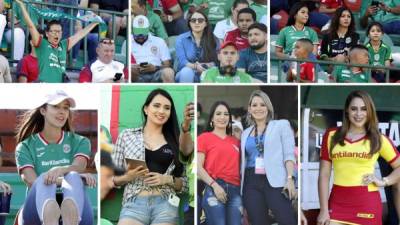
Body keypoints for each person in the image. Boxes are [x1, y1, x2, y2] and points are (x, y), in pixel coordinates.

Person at [317, 90, 400, 225]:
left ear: (370, 112)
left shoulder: (378, 139)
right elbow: (324, 174)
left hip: (367, 205)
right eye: (354, 109)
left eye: (363, 109)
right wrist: (323, 209)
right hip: (337, 205)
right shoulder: (331, 135)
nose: (358, 114)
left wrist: (384, 181)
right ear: (347, 112)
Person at [15, 90, 96, 225]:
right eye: (56, 106)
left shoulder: (81, 141)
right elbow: (32, 181)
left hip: (76, 204)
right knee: (46, 180)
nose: (62, 112)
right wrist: (61, 178)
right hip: (35, 211)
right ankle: (49, 216)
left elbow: (79, 167)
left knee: (74, 176)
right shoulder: (25, 147)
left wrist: (62, 170)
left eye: (65, 108)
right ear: (43, 110)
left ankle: (70, 219)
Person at [111, 88, 188, 225]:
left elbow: (186, 184)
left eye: (167, 108)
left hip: (166, 204)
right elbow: (112, 179)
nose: (161, 111)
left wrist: (167, 179)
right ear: (146, 109)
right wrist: (127, 177)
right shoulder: (127, 136)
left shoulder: (177, 141)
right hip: (134, 204)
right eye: (156, 106)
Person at [240, 90, 297, 225]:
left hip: (275, 179)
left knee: (286, 219)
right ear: (249, 109)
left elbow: (289, 154)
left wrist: (290, 178)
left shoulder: (281, 125)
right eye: (254, 105)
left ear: (268, 108)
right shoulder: (245, 133)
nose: (258, 108)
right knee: (257, 221)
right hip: (250, 180)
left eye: (262, 105)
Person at [16, 0, 100, 83]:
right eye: (54, 31)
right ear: (47, 34)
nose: (57, 34)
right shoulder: (42, 44)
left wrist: (94, 23)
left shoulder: (63, 45)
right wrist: (22, 6)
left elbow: (79, 35)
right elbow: (31, 26)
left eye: (59, 31)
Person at [197, 101, 242, 225]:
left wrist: (240, 136)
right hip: (214, 187)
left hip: (236, 190)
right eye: (218, 114)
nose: (222, 117)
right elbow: (198, 167)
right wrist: (215, 186)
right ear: (212, 118)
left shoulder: (236, 141)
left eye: (226, 114)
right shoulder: (204, 137)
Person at [175, 10, 217, 83]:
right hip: (186, 71)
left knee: (213, 70)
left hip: (207, 70)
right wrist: (196, 67)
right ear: (190, 23)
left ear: (206, 23)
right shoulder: (181, 39)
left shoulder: (214, 39)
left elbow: (217, 60)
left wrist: (207, 65)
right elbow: (182, 61)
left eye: (200, 20)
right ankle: (186, 94)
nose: (197, 23)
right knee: (186, 72)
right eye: (193, 20)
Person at [131, 15, 175, 82]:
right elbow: (124, 64)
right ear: (133, 29)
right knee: (131, 70)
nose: (140, 35)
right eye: (138, 32)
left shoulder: (159, 41)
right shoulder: (128, 42)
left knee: (168, 72)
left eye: (143, 32)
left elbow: (167, 64)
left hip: (156, 73)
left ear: (148, 29)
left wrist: (155, 68)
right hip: (137, 75)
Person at [180, 102, 195, 225]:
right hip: (194, 204)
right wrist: (186, 125)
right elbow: (186, 151)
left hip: (219, 199)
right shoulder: (191, 135)